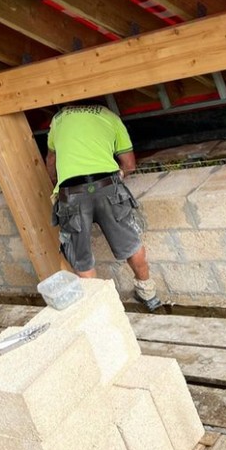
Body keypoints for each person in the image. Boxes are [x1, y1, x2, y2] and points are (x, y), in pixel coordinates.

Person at [45, 102, 161, 311]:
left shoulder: (58, 119)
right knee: (131, 243)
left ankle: (102, 308)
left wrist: (57, 184)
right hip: (108, 187)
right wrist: (120, 175)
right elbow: (129, 164)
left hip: (72, 194)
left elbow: (52, 160)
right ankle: (149, 293)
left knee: (81, 257)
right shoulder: (110, 116)